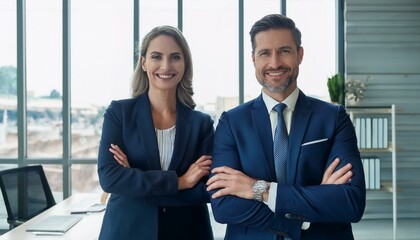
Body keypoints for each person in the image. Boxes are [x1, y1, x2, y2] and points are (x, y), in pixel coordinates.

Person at [206, 14, 366, 240]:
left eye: (284, 51)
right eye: (265, 53)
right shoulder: (231, 122)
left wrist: (257, 190)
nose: (274, 63)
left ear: (300, 54)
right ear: (253, 58)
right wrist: (310, 209)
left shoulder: (333, 118)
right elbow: (224, 206)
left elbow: (351, 201)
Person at [97, 25, 214, 240]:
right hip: (127, 232)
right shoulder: (119, 114)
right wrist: (180, 182)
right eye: (156, 57)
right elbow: (110, 178)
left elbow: (206, 191)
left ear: (185, 64)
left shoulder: (202, 124)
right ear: (143, 63)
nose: (165, 65)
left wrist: (135, 181)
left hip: (187, 232)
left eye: (175, 57)